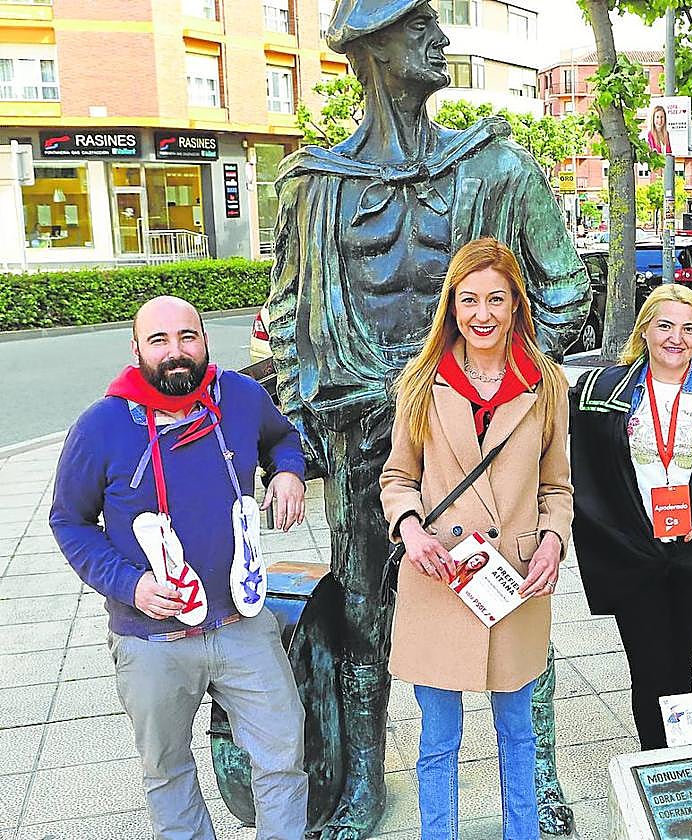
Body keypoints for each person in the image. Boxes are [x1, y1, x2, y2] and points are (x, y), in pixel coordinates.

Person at [269, 1, 589, 834]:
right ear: (372, 49)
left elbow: (563, 291)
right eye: (418, 27)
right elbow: (289, 316)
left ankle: (540, 784)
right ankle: (365, 785)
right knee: (370, 615)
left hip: (489, 434)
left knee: (519, 602)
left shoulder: (501, 169)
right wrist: (312, 429)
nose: (440, 40)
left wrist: (521, 387)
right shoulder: (315, 188)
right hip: (372, 445)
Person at [49, 296, 309, 840]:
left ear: (205, 340)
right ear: (136, 349)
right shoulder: (101, 427)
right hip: (152, 641)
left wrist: (287, 472)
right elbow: (69, 522)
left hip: (243, 625)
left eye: (187, 337)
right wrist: (130, 585)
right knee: (167, 773)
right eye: (159, 341)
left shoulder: (239, 396)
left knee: (283, 759)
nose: (176, 352)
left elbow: (282, 437)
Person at [379, 237, 571, 839]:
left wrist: (552, 542)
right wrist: (410, 531)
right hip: (441, 576)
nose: (482, 314)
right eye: (468, 300)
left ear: (516, 304)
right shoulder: (420, 380)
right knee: (439, 738)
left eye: (495, 299)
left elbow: (557, 486)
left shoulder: (546, 384)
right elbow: (397, 476)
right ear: (451, 306)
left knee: (519, 733)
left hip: (513, 582)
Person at [569, 284, 692, 750]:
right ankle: (662, 760)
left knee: (679, 659)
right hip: (631, 554)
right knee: (650, 662)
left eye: (688, 328)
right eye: (664, 325)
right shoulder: (598, 392)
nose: (675, 338)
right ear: (645, 331)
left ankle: (675, 765)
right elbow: (573, 462)